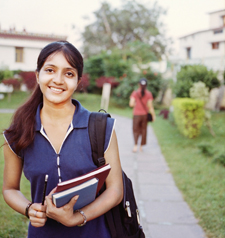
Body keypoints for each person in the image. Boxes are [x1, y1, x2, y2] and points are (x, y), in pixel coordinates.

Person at [2, 41, 123, 237]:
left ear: (78, 81)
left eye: (68, 73)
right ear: (37, 75)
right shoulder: (19, 132)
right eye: (50, 70)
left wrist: (78, 217)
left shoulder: (102, 127)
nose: (58, 80)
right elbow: (9, 189)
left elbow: (115, 191)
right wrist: (28, 208)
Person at [129, 78, 156, 152]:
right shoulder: (149, 94)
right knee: (144, 130)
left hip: (136, 115)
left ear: (139, 85)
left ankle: (135, 146)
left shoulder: (135, 93)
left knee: (135, 130)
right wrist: (153, 115)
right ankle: (141, 146)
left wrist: (136, 104)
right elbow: (150, 106)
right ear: (146, 85)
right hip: (144, 115)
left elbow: (131, 104)